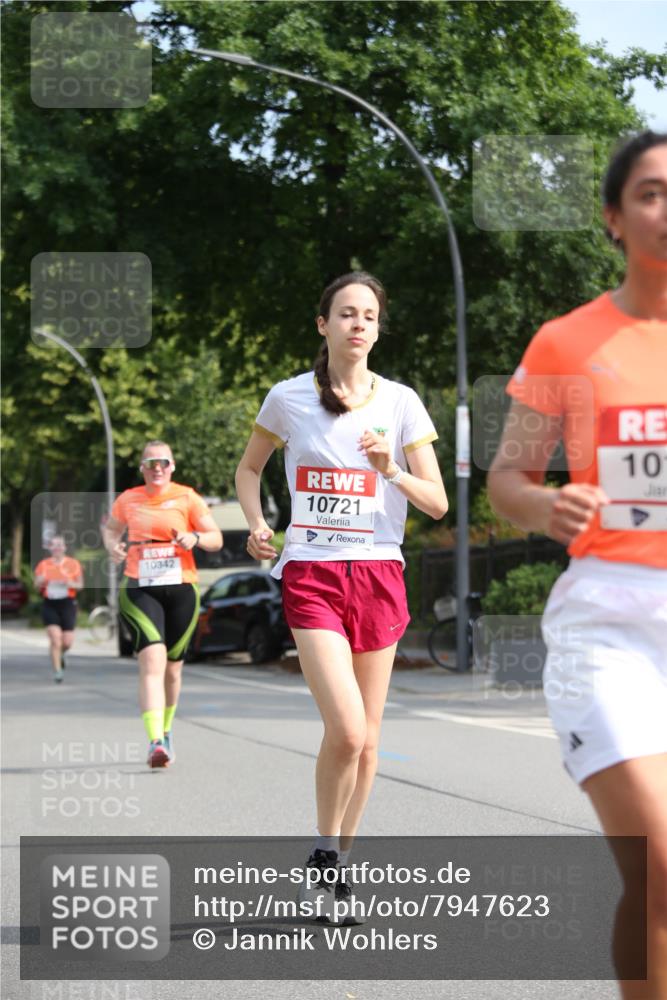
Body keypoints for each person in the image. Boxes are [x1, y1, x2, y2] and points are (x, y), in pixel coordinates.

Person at [487, 131, 667, 998]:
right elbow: (507, 480)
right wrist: (544, 505)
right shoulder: (567, 342)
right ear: (612, 217)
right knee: (661, 859)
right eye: (651, 192)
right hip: (610, 622)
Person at [235, 272, 448, 916]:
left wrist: (393, 472)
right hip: (314, 572)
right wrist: (256, 524)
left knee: (372, 739)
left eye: (370, 315)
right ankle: (324, 855)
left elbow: (437, 503)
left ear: (378, 330)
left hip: (379, 572)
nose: (359, 323)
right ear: (322, 324)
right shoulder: (289, 398)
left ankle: (335, 871)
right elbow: (249, 469)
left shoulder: (403, 402)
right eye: (346, 313)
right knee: (348, 731)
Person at [103, 441, 222, 768]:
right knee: (152, 660)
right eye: (151, 463)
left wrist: (194, 538)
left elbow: (216, 538)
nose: (158, 468)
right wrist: (113, 546)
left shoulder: (187, 497)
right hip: (140, 587)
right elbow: (111, 530)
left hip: (182, 587)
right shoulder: (128, 498)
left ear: (172, 467)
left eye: (164, 463)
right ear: (142, 468)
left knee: (173, 668)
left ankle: (166, 731)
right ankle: (155, 741)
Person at [34, 535, 83, 683]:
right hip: (50, 603)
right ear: (50, 548)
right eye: (53, 545)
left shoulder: (73, 564)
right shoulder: (44, 565)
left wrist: (69, 583)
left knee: (67, 642)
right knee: (55, 639)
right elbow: (36, 585)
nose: (57, 548)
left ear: (65, 548)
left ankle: (62, 654)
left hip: (67, 603)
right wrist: (40, 581)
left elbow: (80, 585)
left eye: (59, 545)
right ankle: (58, 671)